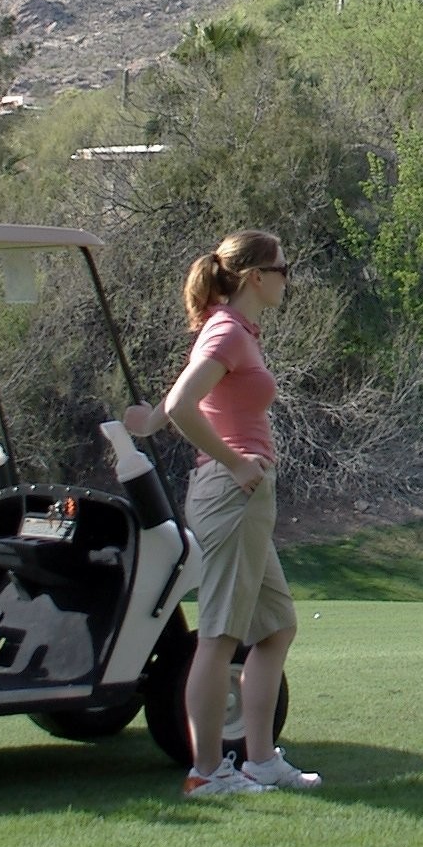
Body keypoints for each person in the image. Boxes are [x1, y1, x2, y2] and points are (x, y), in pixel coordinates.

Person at [143, 230, 318, 797]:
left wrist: (143, 422)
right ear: (255, 277)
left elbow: (173, 407)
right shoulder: (226, 330)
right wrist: (236, 462)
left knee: (277, 627)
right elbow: (181, 406)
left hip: (244, 495)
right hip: (232, 492)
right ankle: (208, 771)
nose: (288, 278)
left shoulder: (237, 331)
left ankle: (261, 761)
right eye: (282, 268)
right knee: (219, 635)